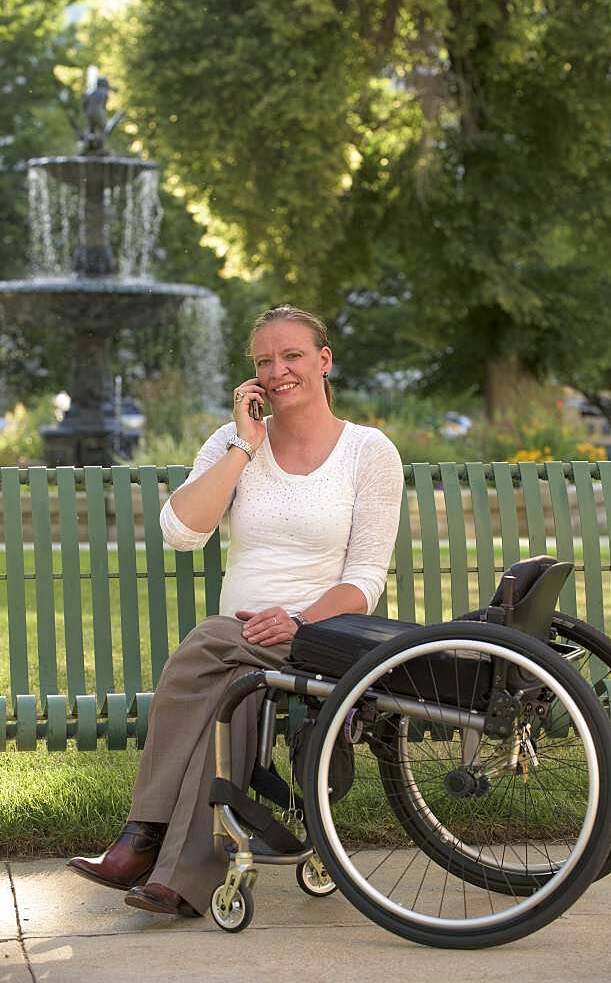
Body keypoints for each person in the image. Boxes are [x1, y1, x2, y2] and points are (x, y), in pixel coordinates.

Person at [67, 305, 405, 917]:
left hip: (321, 634)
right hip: (243, 645)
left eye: (292, 356)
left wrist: (300, 620)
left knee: (207, 644)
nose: (277, 372)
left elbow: (364, 580)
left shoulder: (369, 451)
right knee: (235, 691)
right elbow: (182, 532)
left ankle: (142, 833)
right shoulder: (230, 444)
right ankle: (180, 883)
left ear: (324, 361)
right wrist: (245, 448)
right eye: (263, 361)